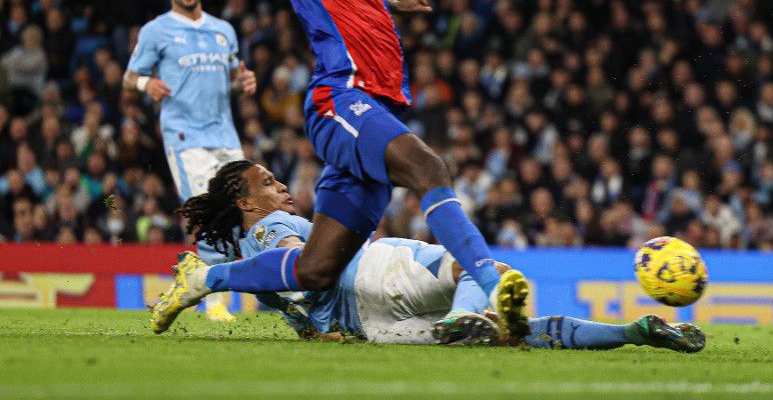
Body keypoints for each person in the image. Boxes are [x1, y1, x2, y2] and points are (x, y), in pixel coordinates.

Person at [92, 0, 525, 337]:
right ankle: (489, 282)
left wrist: (390, 3)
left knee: (316, 269)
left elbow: (349, 4)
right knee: (429, 169)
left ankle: (203, 278)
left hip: (373, 115)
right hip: (341, 101)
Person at [176, 160, 705, 353]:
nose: (283, 188)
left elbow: (297, 304)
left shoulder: (257, 261)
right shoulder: (274, 229)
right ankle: (462, 315)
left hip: (372, 329)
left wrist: (316, 331)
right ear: (245, 203)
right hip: (375, 271)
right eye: (268, 183)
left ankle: (636, 332)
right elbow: (296, 259)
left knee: (516, 333)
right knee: (480, 270)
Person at [124, 0, 256, 322]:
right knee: (207, 209)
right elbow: (128, 77)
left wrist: (244, 81)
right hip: (185, 137)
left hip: (225, 135)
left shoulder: (223, 30)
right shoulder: (156, 31)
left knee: (241, 210)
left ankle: (204, 285)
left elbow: (233, 72)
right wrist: (145, 83)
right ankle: (214, 302)